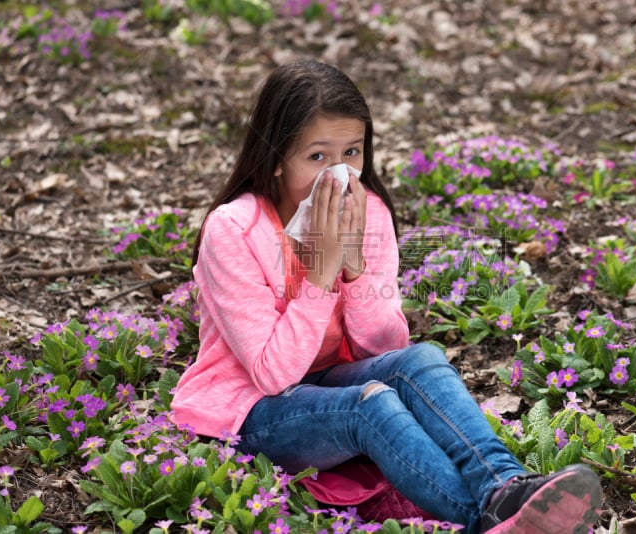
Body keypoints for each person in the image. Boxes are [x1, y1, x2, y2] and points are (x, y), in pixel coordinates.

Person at [170, 59, 602, 533]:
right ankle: (483, 520)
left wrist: (353, 271)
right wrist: (321, 275)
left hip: (332, 378)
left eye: (351, 152)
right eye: (317, 157)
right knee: (371, 402)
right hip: (251, 410)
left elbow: (383, 348)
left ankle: (504, 486)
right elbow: (272, 375)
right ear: (275, 159)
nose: (338, 174)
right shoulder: (233, 230)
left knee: (422, 359)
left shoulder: (368, 211)